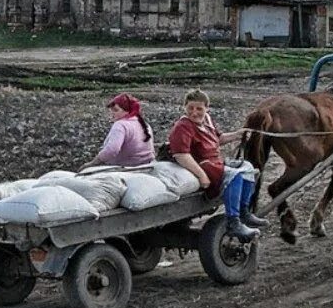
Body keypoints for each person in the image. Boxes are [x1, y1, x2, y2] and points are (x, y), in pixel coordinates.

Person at [168, 88, 267, 241]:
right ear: (185, 107)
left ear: (207, 108)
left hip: (216, 161)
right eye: (190, 108)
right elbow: (181, 155)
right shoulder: (182, 127)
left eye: (199, 108)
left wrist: (237, 134)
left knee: (247, 167)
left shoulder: (206, 120)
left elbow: (217, 139)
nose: (194, 112)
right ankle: (233, 221)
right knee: (234, 175)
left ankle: (244, 212)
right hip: (201, 164)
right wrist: (201, 176)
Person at [84, 93, 156, 169]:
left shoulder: (120, 125)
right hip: (147, 165)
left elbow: (112, 150)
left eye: (115, 110)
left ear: (127, 111)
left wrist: (93, 162)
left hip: (126, 166)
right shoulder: (145, 125)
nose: (112, 113)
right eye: (111, 110)